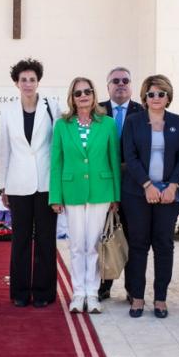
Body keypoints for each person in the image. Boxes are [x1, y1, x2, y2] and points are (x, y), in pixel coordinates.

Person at [49, 77, 121, 314]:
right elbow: (56, 163)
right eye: (78, 93)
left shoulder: (107, 123)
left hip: (101, 191)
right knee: (77, 245)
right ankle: (78, 293)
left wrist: (116, 195)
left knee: (93, 245)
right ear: (72, 97)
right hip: (72, 191)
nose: (83, 96)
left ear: (94, 94)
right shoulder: (62, 125)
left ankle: (93, 293)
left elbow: (114, 159)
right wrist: (55, 196)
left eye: (87, 91)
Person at [121, 75, 179, 318]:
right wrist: (147, 185)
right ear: (145, 97)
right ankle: (137, 297)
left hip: (168, 195)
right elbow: (129, 156)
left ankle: (160, 298)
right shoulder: (133, 121)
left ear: (168, 97)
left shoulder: (177, 122)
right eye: (151, 94)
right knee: (138, 244)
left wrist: (173, 186)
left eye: (161, 93)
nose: (156, 98)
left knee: (164, 245)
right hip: (137, 193)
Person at [0, 58, 59, 308]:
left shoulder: (52, 107)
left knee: (46, 239)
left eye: (32, 79)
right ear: (16, 83)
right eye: (23, 79)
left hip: (46, 183)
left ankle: (44, 293)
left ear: (38, 82)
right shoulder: (8, 111)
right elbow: (5, 150)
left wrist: (59, 185)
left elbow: (58, 147)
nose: (28, 84)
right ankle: (20, 292)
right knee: (20, 239)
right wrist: (4, 185)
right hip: (18, 183)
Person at [97, 66, 143, 302]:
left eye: (125, 80)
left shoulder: (143, 111)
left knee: (134, 237)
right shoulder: (96, 111)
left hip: (134, 184)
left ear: (131, 85)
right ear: (108, 87)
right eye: (116, 81)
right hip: (104, 184)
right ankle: (102, 286)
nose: (121, 84)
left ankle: (132, 289)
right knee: (103, 235)